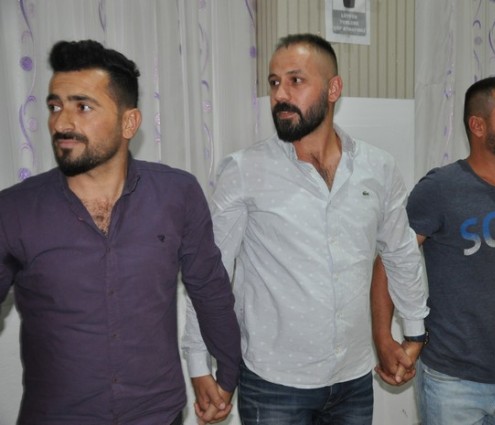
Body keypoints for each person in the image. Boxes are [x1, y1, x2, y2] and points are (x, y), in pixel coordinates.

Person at [181, 33, 428, 425]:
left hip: (353, 379)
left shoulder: (378, 168)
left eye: (295, 81)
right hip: (274, 384)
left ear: (333, 89)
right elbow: (210, 274)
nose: (280, 95)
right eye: (274, 82)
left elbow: (399, 252)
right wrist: (199, 363)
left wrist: (414, 332)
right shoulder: (245, 170)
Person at [0, 40, 241, 425]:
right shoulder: (14, 210)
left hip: (156, 414)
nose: (61, 123)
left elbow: (210, 290)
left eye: (82, 106)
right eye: (55, 106)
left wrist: (227, 373)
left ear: (129, 123)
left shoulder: (177, 194)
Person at [372, 75, 495, 424]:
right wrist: (383, 338)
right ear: (478, 125)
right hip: (453, 380)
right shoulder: (441, 188)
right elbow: (390, 261)